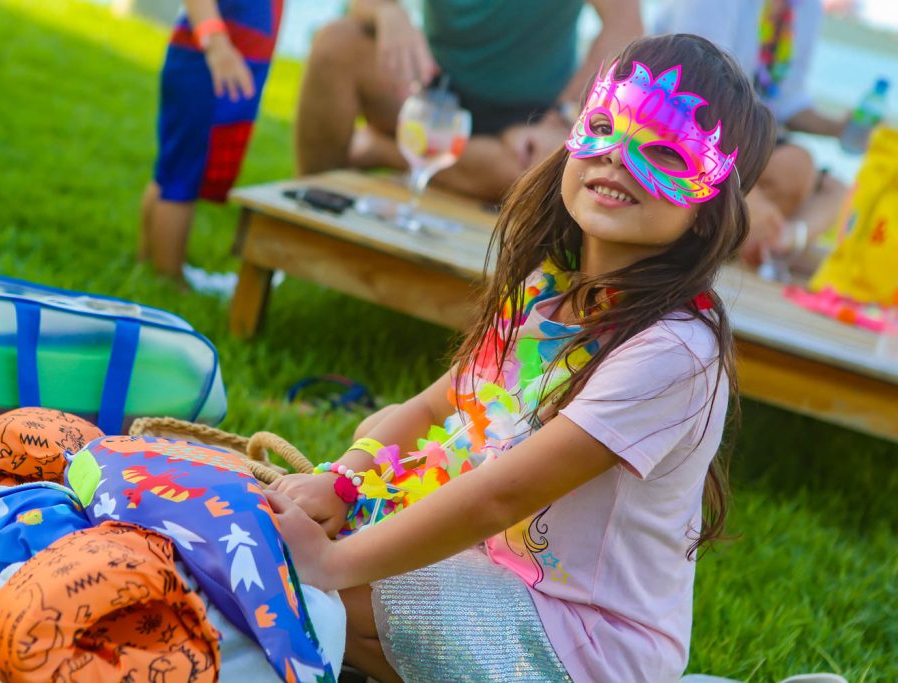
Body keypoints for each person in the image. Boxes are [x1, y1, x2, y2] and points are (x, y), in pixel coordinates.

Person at [267, 34, 776, 682]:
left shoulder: (675, 350)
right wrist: (342, 482)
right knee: (309, 520)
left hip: (587, 643)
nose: (617, 161)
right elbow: (428, 406)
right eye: (602, 128)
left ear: (707, 211)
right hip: (492, 575)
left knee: (311, 587)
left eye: (663, 152)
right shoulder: (547, 294)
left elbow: (498, 494)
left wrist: (333, 563)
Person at [295, 0, 643, 203]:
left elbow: (626, 29)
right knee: (335, 44)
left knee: (528, 177)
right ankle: (304, 210)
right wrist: (389, 13)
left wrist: (562, 118)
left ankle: (378, 148)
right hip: (432, 96)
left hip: (531, 116)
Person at [654, 0, 850, 269]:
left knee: (835, 190)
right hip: (679, 126)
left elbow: (785, 101)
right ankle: (740, 237)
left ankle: (775, 241)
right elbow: (698, 86)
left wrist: (839, 128)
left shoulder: (805, 8)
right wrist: (745, 189)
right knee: (795, 166)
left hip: (744, 134)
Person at [138, 0, 282, 282]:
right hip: (208, 65)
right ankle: (169, 280)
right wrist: (216, 45)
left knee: (172, 170)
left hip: (215, 63)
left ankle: (148, 261)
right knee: (181, 180)